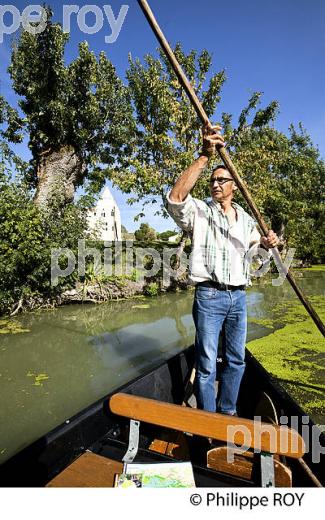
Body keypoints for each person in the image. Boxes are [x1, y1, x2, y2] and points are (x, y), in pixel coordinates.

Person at [166, 124, 279, 415]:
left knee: (237, 360)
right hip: (209, 297)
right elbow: (175, 198)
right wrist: (204, 157)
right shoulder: (200, 212)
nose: (215, 184)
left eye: (221, 179)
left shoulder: (246, 220)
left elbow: (257, 251)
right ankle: (207, 417)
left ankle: (227, 414)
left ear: (234, 185)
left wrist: (268, 243)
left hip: (238, 298)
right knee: (205, 364)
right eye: (213, 180)